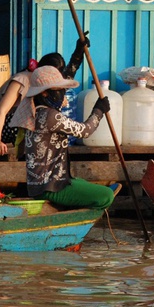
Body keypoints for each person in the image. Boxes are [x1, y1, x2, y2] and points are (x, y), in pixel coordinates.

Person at [23, 65, 117, 209]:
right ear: (44, 94)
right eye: (58, 90)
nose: (62, 94)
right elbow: (84, 131)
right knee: (107, 196)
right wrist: (98, 111)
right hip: (48, 188)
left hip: (44, 183)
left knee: (79, 182)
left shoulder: (34, 113)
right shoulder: (50, 116)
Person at [0, 37, 88, 156]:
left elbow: (69, 75)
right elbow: (1, 112)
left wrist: (78, 52)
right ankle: (25, 151)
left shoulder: (47, 83)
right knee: (42, 118)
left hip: (18, 121)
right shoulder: (21, 80)